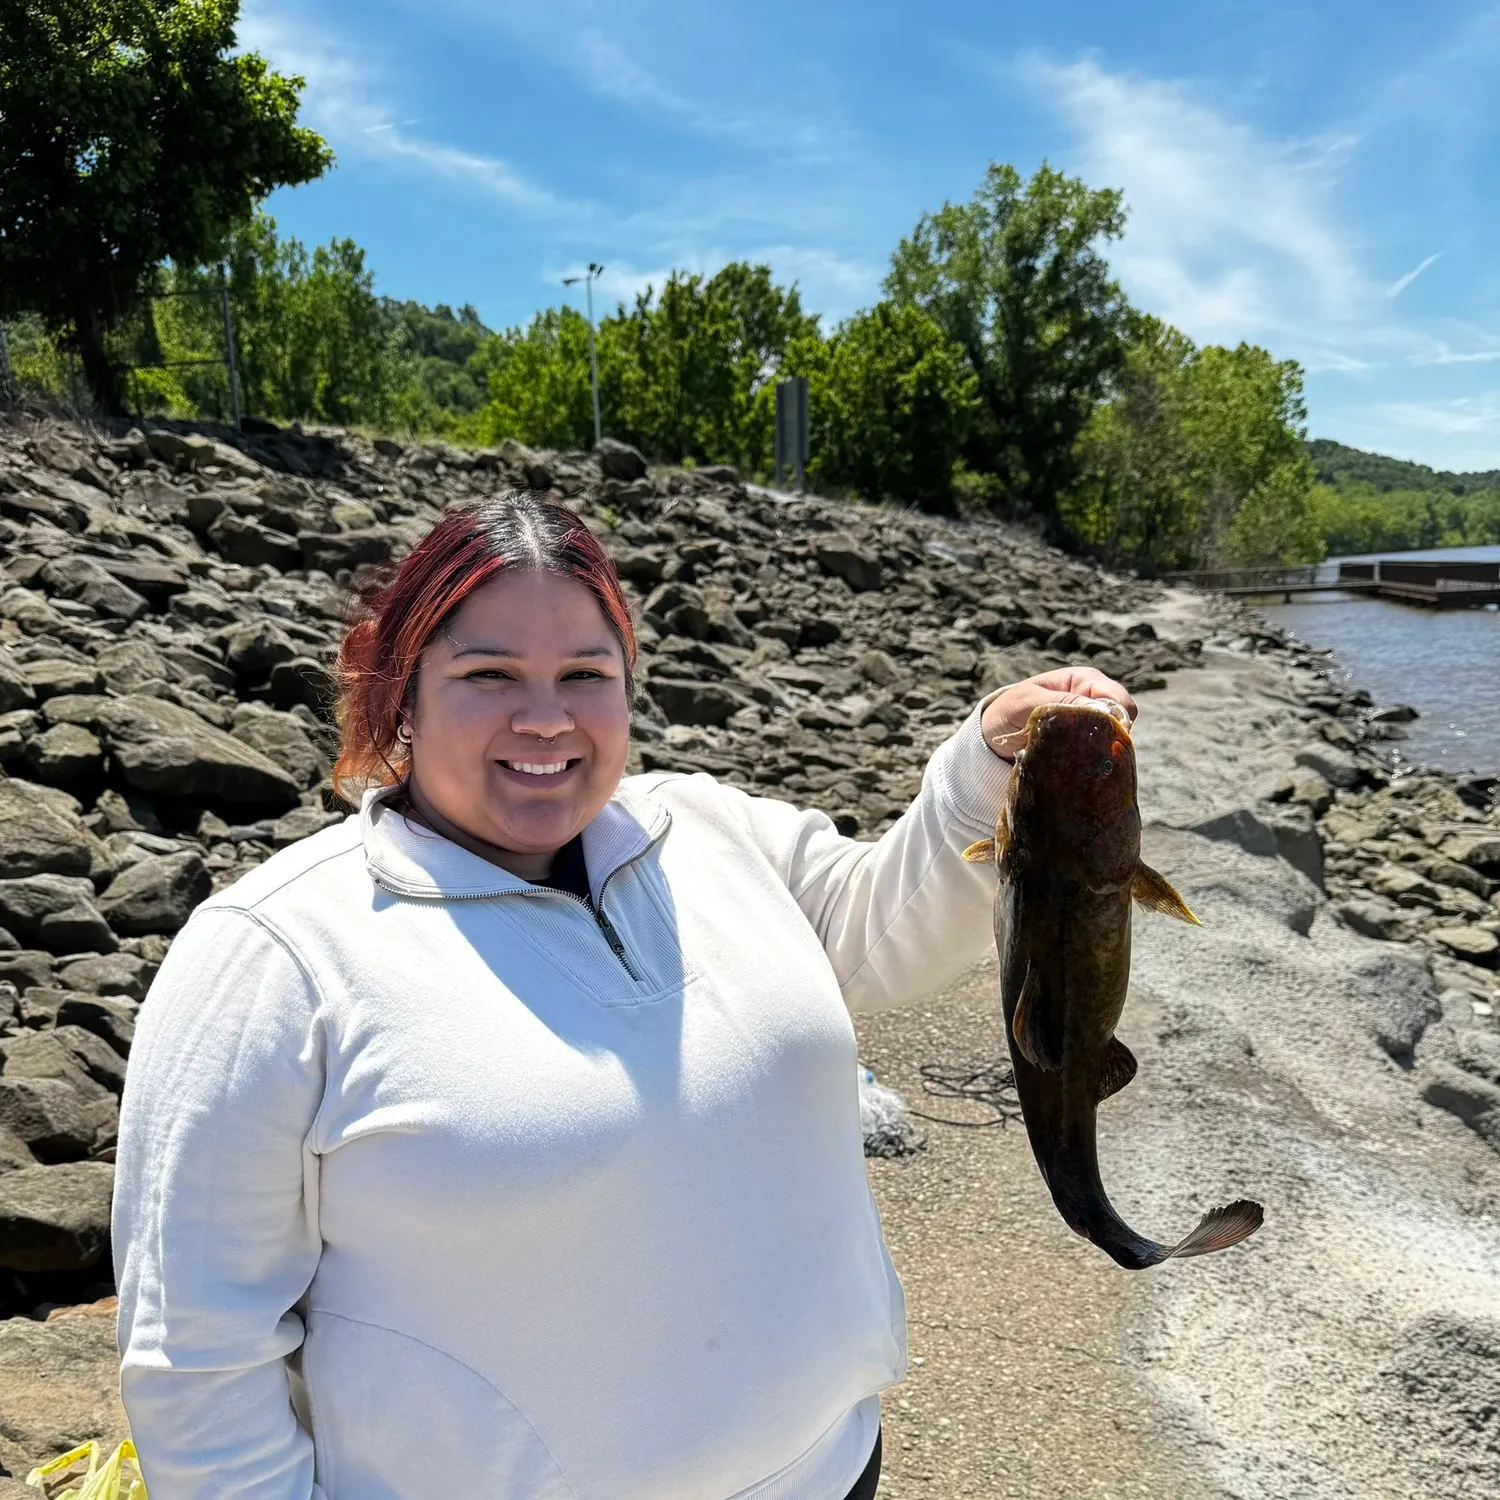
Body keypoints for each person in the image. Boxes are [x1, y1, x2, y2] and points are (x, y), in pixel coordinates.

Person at [112, 493, 1137, 1500]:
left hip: (831, 1470)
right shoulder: (274, 957)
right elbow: (198, 1364)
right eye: (489, 674)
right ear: (400, 695)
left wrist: (982, 766)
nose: (545, 717)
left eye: (585, 674)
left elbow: (878, 931)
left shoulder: (704, 829)